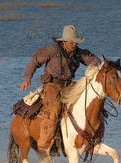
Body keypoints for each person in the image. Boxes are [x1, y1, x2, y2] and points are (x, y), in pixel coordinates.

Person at [20, 24, 100, 154]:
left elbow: (93, 59)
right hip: (52, 86)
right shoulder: (51, 51)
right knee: (54, 110)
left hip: (69, 86)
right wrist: (27, 78)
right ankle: (45, 145)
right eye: (72, 42)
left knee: (88, 102)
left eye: (75, 42)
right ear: (64, 42)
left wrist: (93, 65)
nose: (74, 44)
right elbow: (34, 61)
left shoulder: (78, 52)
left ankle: (88, 137)